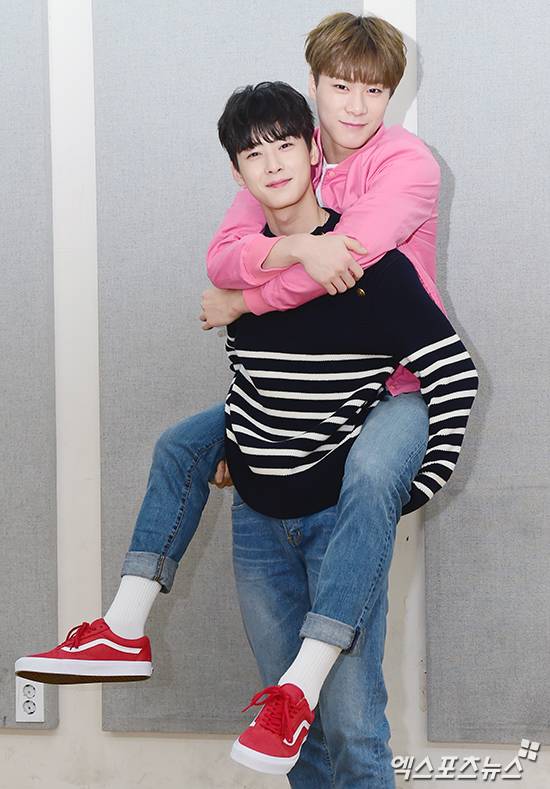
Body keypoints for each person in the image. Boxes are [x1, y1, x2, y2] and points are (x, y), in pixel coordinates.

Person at [14, 12, 458, 785]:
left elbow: (342, 265)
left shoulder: (405, 165)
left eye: (374, 91)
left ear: (391, 97)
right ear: (315, 89)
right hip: (299, 416)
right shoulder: (283, 159)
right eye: (340, 87)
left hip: (398, 387)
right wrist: (285, 253)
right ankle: (123, 625)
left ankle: (305, 675)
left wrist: (246, 297)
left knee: (370, 482)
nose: (355, 107)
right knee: (184, 443)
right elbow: (227, 255)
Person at [210, 82, 478, 778]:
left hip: (337, 519)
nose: (272, 163)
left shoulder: (369, 263)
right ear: (236, 173)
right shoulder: (247, 273)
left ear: (313, 151)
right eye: (253, 154)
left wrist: (420, 482)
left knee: (354, 729)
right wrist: (234, 444)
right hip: (257, 524)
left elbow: (453, 372)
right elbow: (249, 378)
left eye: (284, 145)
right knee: (294, 734)